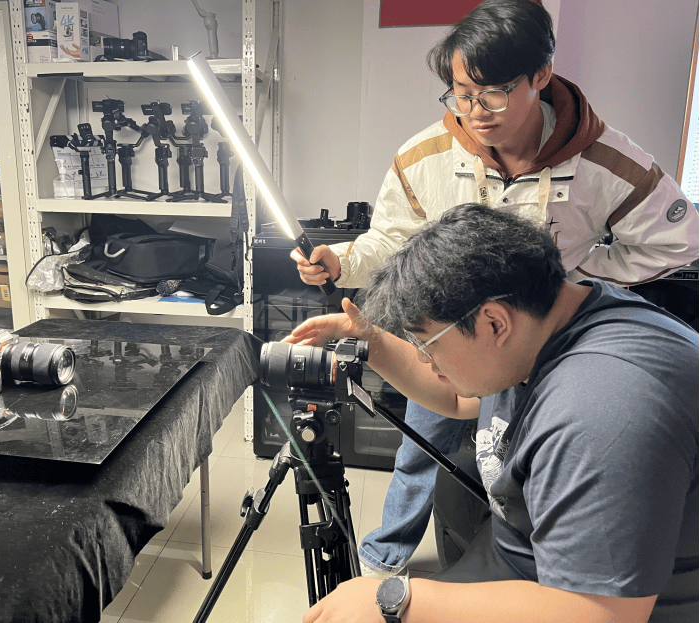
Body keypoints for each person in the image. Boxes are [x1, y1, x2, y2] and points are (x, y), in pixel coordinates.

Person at [290, 0, 699, 579]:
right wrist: (343, 260)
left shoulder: (604, 161)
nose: (474, 112)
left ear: (541, 75)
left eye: (493, 94)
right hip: (457, 337)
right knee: (424, 439)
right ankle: (390, 553)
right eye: (461, 94)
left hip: (540, 344)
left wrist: (576, 276)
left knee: (535, 459)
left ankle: (528, 549)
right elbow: (391, 241)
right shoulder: (424, 155)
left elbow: (679, 241)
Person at [285, 203, 698, 623]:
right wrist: (369, 341)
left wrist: (399, 601)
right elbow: (456, 398)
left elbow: (599, 615)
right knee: (454, 487)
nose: (424, 358)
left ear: (495, 323)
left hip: (586, 602)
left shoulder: (602, 409)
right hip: (529, 555)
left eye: (428, 344)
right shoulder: (552, 317)